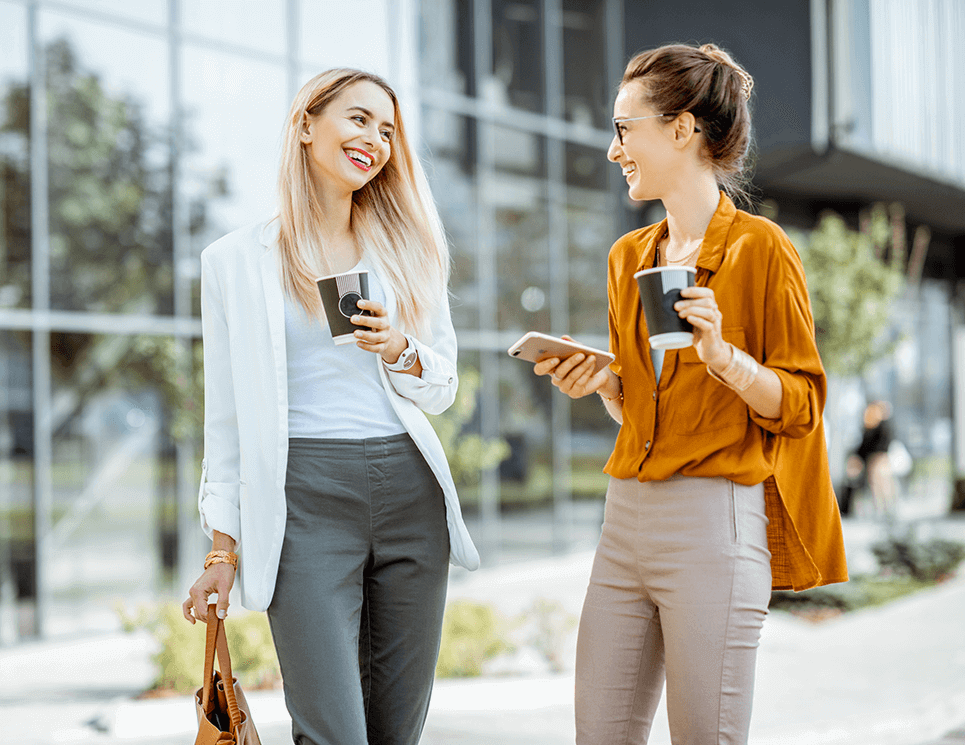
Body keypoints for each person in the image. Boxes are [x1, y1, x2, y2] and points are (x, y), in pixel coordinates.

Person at [532, 43, 848, 743]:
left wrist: (723, 357)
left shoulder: (760, 250)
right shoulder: (629, 258)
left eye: (623, 128)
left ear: (682, 129)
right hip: (624, 521)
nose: (613, 150)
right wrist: (607, 383)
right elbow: (643, 411)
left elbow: (798, 405)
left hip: (713, 525)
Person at [181, 69, 479, 745]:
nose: (374, 139)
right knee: (332, 731)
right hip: (302, 500)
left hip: (409, 492)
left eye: (387, 130)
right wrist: (221, 547)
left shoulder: (410, 250)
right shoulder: (232, 261)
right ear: (307, 124)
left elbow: (441, 386)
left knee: (394, 732)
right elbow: (224, 417)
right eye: (358, 118)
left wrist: (400, 348)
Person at [849, 400, 897, 519]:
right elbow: (862, 448)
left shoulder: (884, 427)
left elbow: (882, 446)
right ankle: (880, 510)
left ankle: (887, 510)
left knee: (882, 483)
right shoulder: (869, 428)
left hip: (880, 460)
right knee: (876, 484)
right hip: (871, 461)